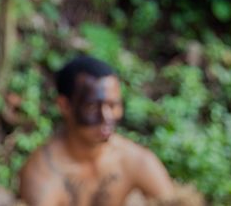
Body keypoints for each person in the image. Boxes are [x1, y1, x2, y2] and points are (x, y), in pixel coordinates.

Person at [18, 56, 175, 206]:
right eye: (92, 107)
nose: (106, 117)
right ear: (64, 105)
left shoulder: (135, 160)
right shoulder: (43, 174)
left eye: (113, 105)